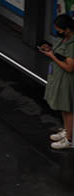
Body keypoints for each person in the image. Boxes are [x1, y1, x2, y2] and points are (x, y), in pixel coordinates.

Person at [41, 14, 74, 150]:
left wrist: (52, 56)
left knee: (67, 108)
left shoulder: (72, 45)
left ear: (67, 29)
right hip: (58, 78)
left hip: (67, 80)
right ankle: (67, 131)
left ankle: (69, 139)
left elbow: (69, 67)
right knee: (62, 105)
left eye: (60, 29)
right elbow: (60, 54)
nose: (58, 32)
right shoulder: (63, 38)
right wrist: (50, 49)